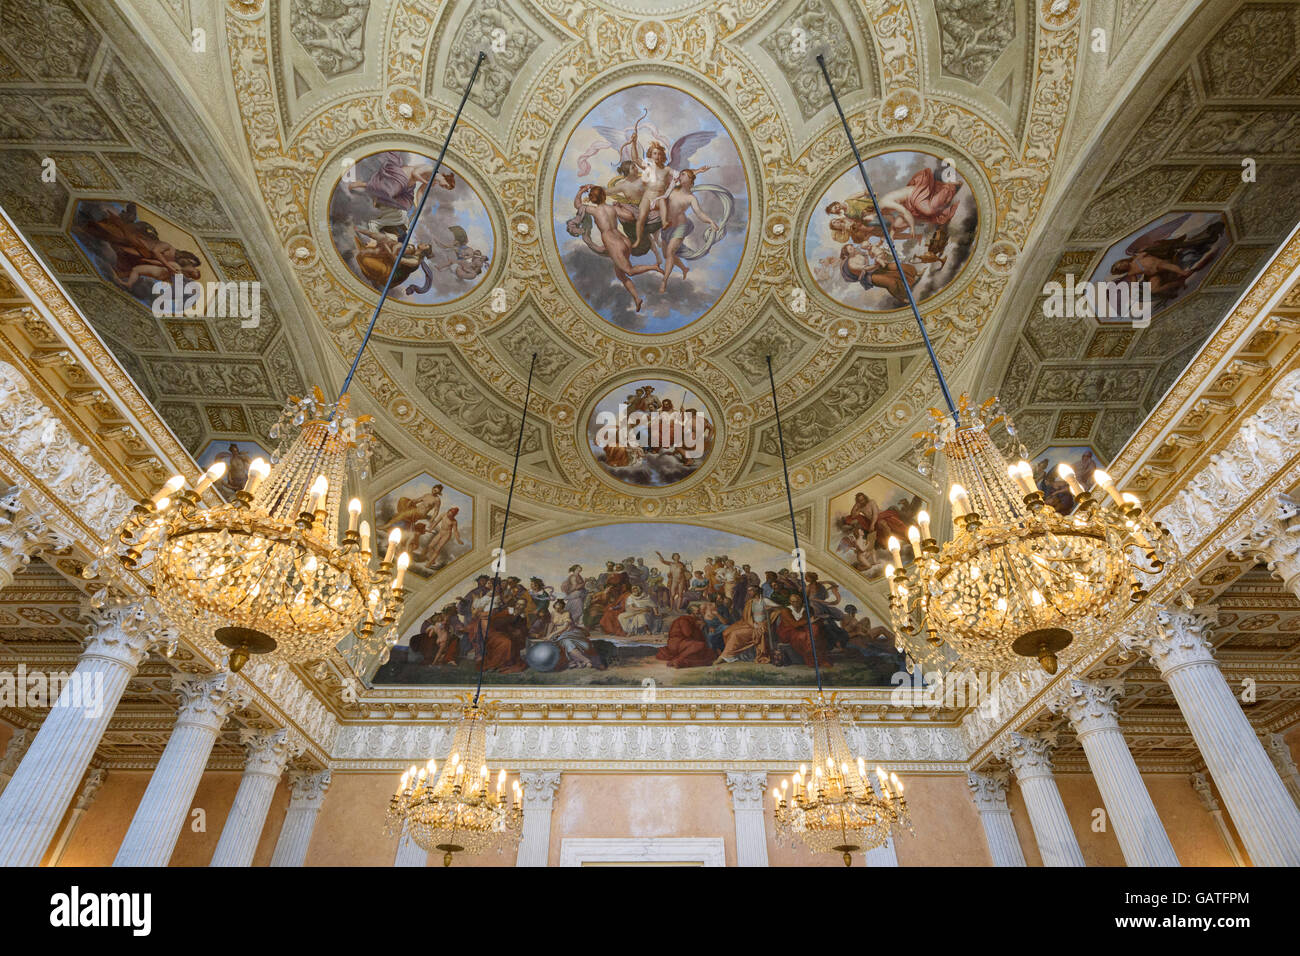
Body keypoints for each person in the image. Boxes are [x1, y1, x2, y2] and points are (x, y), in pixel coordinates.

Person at [772, 593, 831, 668]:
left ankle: (818, 659)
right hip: (788, 632)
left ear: (801, 601)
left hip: (802, 629)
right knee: (804, 636)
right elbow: (794, 624)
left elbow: (805, 622)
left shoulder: (808, 609)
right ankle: (813, 660)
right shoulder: (785, 610)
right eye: (793, 601)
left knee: (815, 628)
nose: (795, 603)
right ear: (790, 602)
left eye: (797, 601)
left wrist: (808, 621)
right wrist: (808, 621)